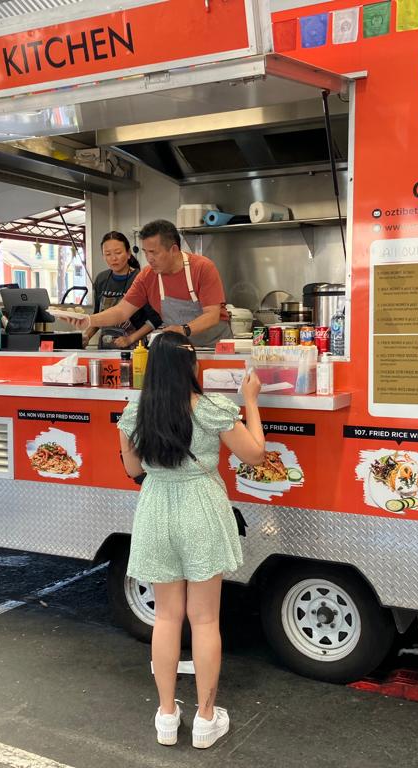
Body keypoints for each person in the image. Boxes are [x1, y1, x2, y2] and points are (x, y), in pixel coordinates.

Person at [116, 332, 265, 749]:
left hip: (156, 508)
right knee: (204, 620)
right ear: (191, 366)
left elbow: (133, 468)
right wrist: (250, 400)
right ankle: (205, 718)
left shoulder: (134, 412)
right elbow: (255, 454)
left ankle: (167, 715)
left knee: (166, 618)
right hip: (201, 508)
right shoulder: (213, 408)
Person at [72, 220, 232, 348]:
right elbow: (121, 311)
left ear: (174, 250)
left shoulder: (202, 267)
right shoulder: (147, 276)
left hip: (216, 348)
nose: (149, 259)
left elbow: (212, 315)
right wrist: (88, 320)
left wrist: (183, 329)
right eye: (145, 252)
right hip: (180, 351)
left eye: (153, 252)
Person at [84, 231, 161, 350]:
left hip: (135, 349)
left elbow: (155, 319)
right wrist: (87, 336)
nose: (113, 258)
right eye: (108, 254)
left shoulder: (141, 278)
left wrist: (130, 339)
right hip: (105, 349)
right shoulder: (101, 279)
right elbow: (97, 316)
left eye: (118, 253)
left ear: (128, 253)